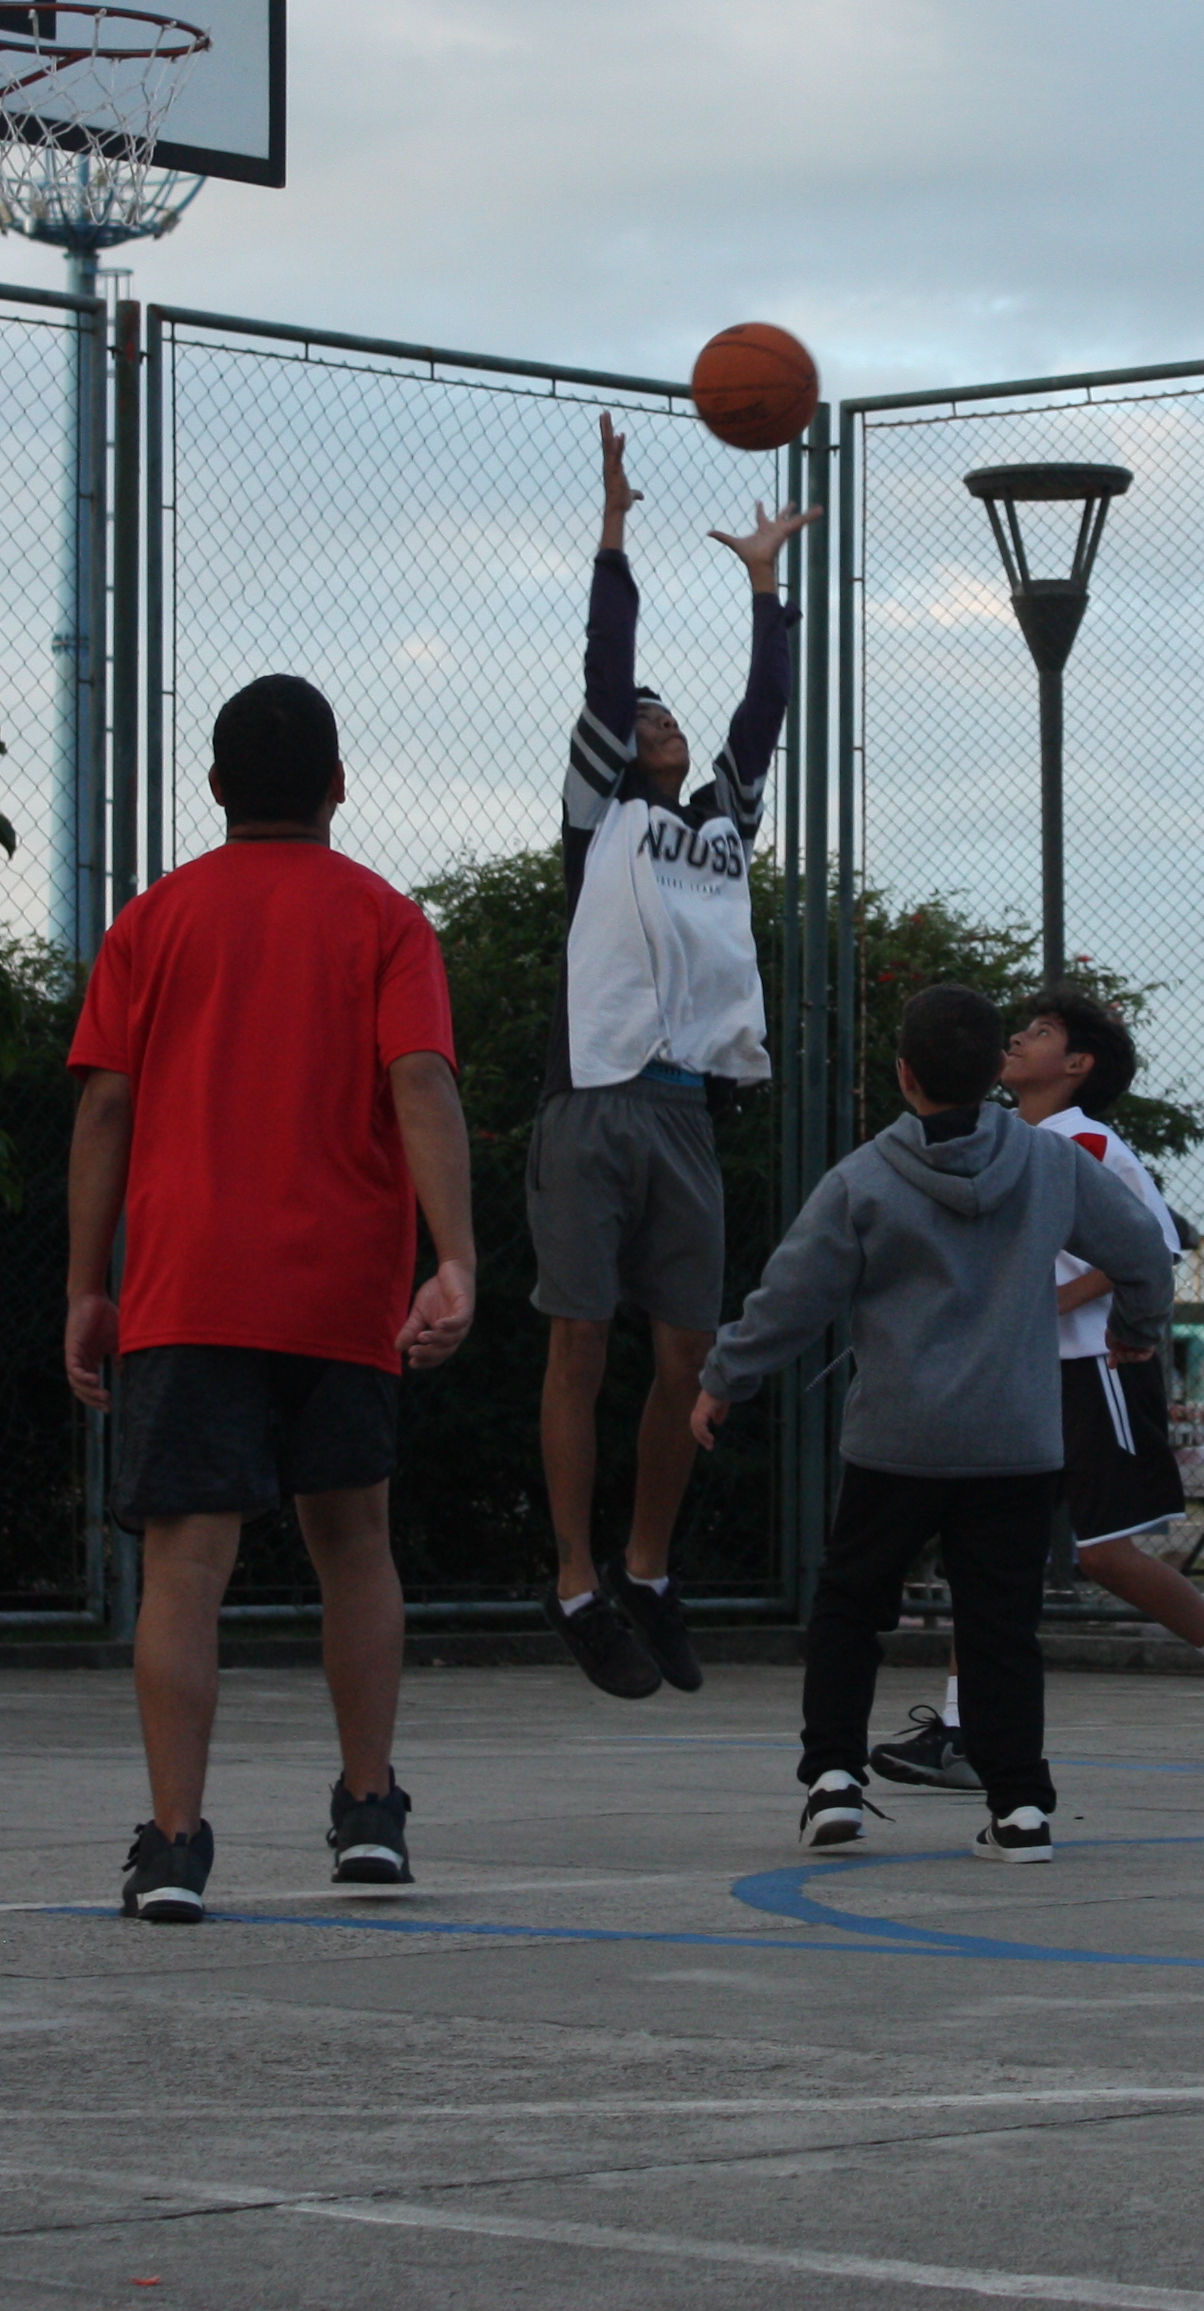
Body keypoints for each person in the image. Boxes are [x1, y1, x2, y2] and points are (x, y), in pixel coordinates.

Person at [64, 676, 477, 1924]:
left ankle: (177, 1842)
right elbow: (418, 1079)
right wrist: (453, 1254)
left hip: (187, 1281)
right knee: (354, 1541)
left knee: (188, 1562)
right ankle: (368, 1814)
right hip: (342, 1281)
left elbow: (104, 1106)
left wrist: (90, 1284)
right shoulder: (387, 921)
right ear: (339, 788)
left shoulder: (154, 919)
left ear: (215, 788)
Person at [690, 982, 1179, 1863]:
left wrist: (729, 1375)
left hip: (898, 1442)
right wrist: (1135, 1331)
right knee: (1000, 1624)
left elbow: (793, 1296)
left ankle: (835, 1779)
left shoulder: (865, 1177)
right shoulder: (1051, 1165)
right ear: (996, 1069)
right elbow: (1144, 1250)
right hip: (1016, 1441)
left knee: (850, 1607)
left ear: (906, 1075)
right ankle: (1021, 1808)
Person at [532, 413, 815, 1701]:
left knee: (687, 1357)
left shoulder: (718, 822)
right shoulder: (602, 819)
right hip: (593, 1105)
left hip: (688, 1108)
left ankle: (649, 1568)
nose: (655, 718)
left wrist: (765, 586)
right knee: (580, 1347)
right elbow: (606, 668)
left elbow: (765, 708)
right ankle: (577, 1579)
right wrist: (614, 530)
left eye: (665, 715)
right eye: (640, 714)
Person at [871, 988, 1204, 1790]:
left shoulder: (1085, 1140)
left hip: (1096, 1367)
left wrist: (1048, 1302)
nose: (1018, 1040)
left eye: (1037, 1033)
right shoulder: (1003, 1143)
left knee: (1105, 1555)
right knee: (986, 1550)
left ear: (1076, 1066)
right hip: (1023, 1376)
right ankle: (964, 1731)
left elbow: (1155, 1245)